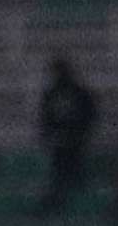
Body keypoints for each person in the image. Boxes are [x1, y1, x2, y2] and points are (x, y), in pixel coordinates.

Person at [37, 56, 99, 213]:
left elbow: (90, 115)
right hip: (61, 143)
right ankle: (59, 205)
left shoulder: (78, 92)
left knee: (73, 173)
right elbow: (45, 118)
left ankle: (76, 207)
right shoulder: (52, 94)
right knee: (61, 174)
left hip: (74, 142)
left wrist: (80, 133)